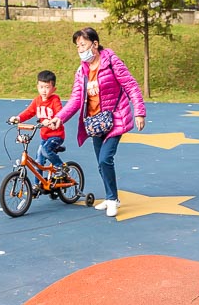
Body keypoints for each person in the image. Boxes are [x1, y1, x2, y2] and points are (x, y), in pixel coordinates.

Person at [49, 27, 145, 218]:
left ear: (94, 44)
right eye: (77, 46)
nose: (80, 49)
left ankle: (112, 199)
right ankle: (111, 197)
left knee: (105, 159)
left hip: (115, 118)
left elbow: (131, 85)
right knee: (101, 164)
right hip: (94, 123)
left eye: (83, 45)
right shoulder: (82, 71)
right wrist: (60, 118)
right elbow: (76, 99)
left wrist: (139, 112)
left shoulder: (111, 62)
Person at [10, 69, 66, 175]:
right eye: (41, 87)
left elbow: (60, 113)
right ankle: (37, 186)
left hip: (56, 136)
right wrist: (18, 118)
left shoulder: (55, 100)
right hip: (44, 137)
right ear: (37, 87)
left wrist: (50, 121)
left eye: (47, 87)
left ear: (54, 89)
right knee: (38, 162)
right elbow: (29, 112)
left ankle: (61, 167)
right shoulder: (37, 100)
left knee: (45, 150)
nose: (44, 91)